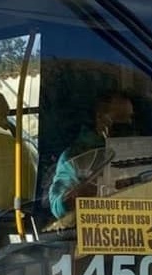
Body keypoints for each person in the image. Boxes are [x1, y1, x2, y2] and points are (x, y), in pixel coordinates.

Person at [47, 91, 134, 219]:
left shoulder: (139, 150)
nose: (127, 125)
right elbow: (57, 206)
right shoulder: (74, 157)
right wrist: (80, 193)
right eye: (119, 120)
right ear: (100, 118)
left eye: (130, 119)